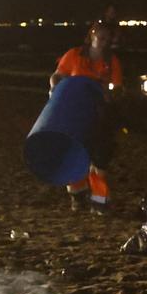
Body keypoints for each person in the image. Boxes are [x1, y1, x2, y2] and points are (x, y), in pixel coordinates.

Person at [49, 19, 123, 210]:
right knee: (74, 152)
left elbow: (117, 88)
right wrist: (55, 90)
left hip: (99, 115)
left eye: (109, 39)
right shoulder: (74, 55)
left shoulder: (112, 61)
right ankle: (78, 196)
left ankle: (99, 201)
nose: (105, 41)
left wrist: (110, 93)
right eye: (102, 37)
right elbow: (58, 75)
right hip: (74, 112)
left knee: (100, 160)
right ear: (92, 36)